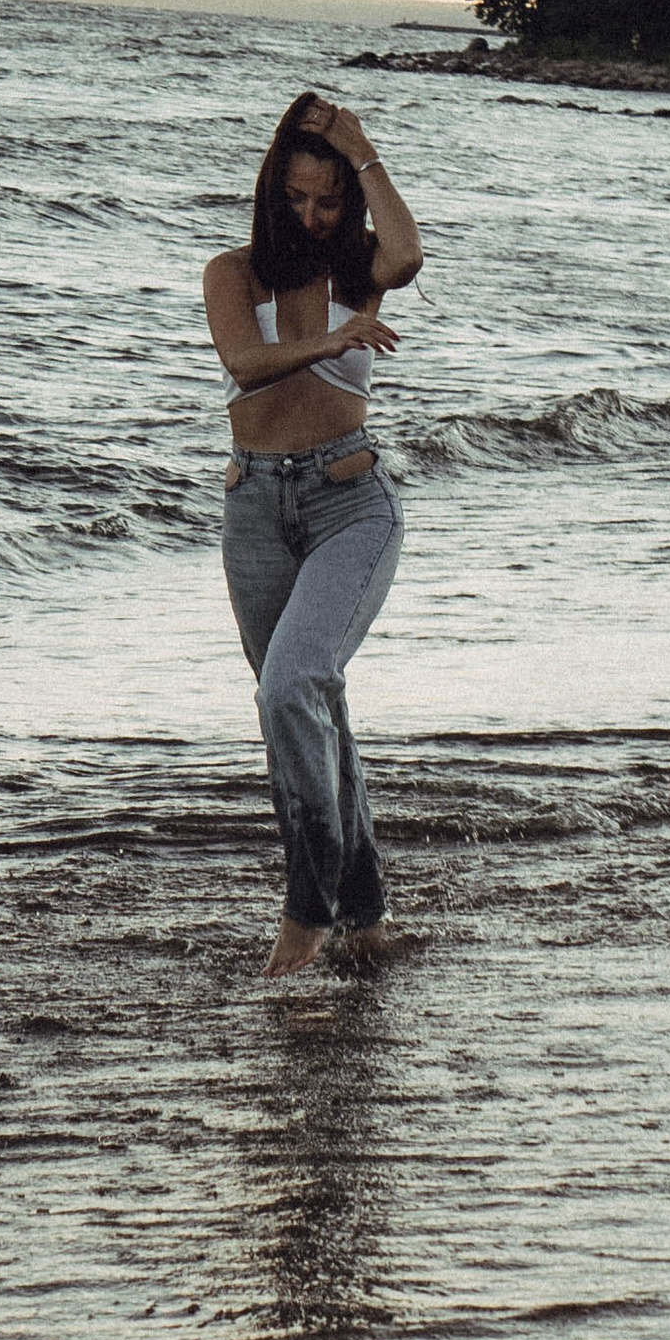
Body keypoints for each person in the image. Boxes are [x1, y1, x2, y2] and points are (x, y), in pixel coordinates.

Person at [205, 95, 424, 979]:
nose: (311, 214)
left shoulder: (361, 269)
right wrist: (335, 340)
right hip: (254, 511)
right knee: (307, 706)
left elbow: (407, 252)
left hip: (351, 505)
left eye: (328, 200)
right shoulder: (234, 273)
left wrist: (361, 147)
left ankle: (307, 908)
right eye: (295, 198)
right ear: (271, 193)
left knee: (291, 686)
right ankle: (365, 918)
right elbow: (242, 367)